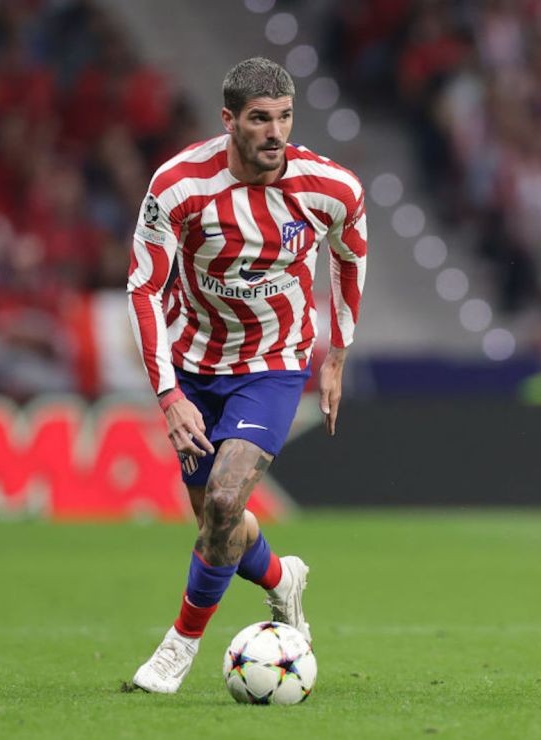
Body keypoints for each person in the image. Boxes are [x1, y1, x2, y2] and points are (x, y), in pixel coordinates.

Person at [126, 57, 367, 693]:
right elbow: (144, 287)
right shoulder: (178, 186)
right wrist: (168, 392)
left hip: (274, 362)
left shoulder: (330, 188)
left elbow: (350, 256)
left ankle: (179, 647)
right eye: (260, 120)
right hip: (195, 361)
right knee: (218, 521)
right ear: (229, 120)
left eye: (284, 117)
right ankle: (281, 577)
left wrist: (337, 351)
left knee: (228, 503)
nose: (275, 133)